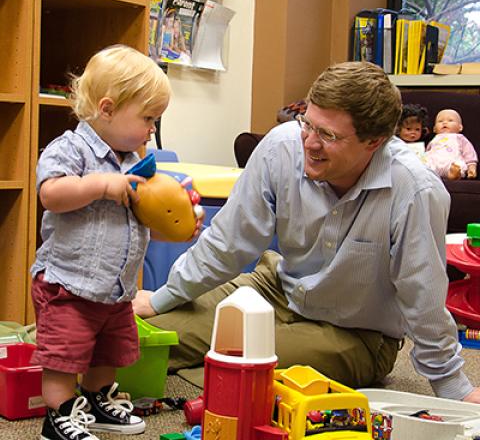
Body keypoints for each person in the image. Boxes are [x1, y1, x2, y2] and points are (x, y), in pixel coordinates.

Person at [134, 61, 480, 404]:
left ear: (374, 141)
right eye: (308, 125)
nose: (309, 144)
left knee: (239, 368)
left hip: (357, 334)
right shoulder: (281, 147)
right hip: (278, 290)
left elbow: (423, 293)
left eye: (328, 135)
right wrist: (163, 297)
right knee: (145, 338)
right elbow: (229, 241)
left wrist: (452, 385)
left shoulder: (415, 190)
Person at [31, 44, 171, 440]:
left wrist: (172, 225)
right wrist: (100, 185)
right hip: (69, 285)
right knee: (63, 356)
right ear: (107, 109)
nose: (152, 129)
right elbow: (51, 194)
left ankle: (94, 398)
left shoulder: (135, 162)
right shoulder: (70, 149)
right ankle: (57, 416)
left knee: (109, 352)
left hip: (116, 290)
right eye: (148, 118)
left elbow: (142, 217)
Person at [425, 108, 478, 180]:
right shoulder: (434, 139)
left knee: (458, 165)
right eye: (440, 121)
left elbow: (469, 152)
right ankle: (428, 175)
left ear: (460, 127)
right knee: (426, 162)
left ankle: (453, 174)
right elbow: (427, 151)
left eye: (450, 120)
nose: (444, 123)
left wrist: (471, 167)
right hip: (434, 163)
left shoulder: (459, 138)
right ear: (434, 129)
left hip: (451, 163)